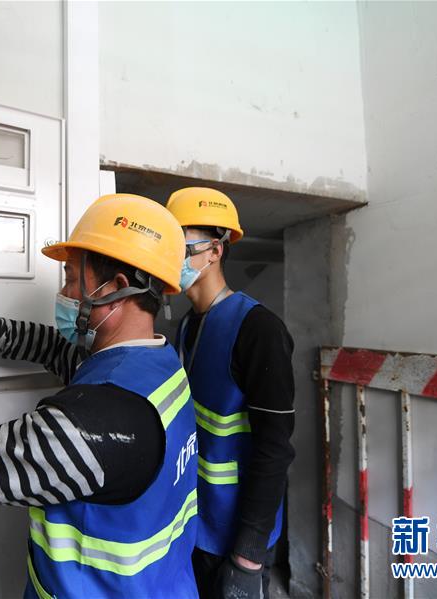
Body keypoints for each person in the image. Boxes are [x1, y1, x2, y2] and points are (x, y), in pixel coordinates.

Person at [0, 194, 200, 598]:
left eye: (70, 278)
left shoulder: (90, 423)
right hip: (165, 585)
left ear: (116, 288)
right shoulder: (159, 364)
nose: (64, 292)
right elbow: (59, 351)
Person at [166, 187, 296, 599]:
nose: (171, 258)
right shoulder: (188, 326)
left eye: (182, 247)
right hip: (197, 526)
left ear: (215, 251)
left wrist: (249, 554)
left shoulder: (258, 329)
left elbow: (275, 447)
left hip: (238, 535)